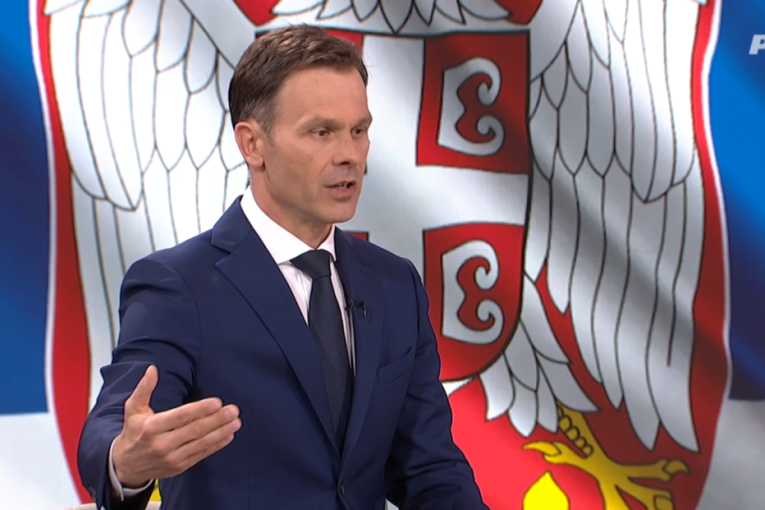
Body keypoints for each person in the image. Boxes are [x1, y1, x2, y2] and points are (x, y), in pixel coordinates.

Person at [77, 25, 488, 510]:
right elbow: (114, 426)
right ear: (253, 144)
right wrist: (125, 463)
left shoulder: (395, 284)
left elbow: (428, 469)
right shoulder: (180, 285)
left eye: (358, 130)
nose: (349, 155)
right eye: (322, 132)